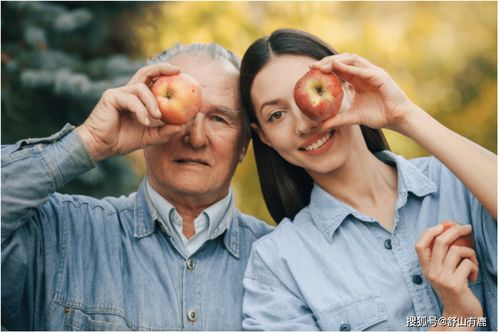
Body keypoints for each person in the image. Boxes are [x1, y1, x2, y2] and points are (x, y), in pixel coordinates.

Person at [1, 43, 273, 331]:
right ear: (145, 119)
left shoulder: (279, 261)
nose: (196, 138)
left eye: (219, 118)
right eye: (178, 115)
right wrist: (90, 140)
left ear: (244, 144)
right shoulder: (62, 233)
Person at [239, 28, 497, 331]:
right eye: (277, 115)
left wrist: (404, 115)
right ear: (265, 138)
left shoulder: (460, 181)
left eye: (313, 90)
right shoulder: (278, 265)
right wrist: (456, 320)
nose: (305, 123)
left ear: (347, 87)